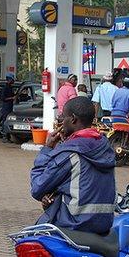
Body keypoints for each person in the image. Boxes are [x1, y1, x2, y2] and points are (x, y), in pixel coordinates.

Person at [31, 96, 116, 234]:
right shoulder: (105, 147)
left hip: (73, 224)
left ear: (73, 119)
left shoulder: (69, 153)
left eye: (64, 117)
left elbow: (38, 188)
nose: (61, 122)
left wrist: (48, 148)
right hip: (103, 224)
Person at [1, 73, 17, 143]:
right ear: (9, 79)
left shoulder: (10, 87)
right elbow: (3, 98)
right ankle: (5, 136)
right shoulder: (5, 88)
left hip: (10, 106)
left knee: (8, 120)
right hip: (6, 106)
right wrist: (12, 98)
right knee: (5, 120)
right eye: (12, 79)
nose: (13, 81)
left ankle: (8, 136)